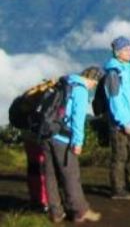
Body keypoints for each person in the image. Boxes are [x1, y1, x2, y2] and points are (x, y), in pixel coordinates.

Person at [42, 67, 104, 223]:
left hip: (47, 133)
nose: (93, 87)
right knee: (70, 175)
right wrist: (78, 142)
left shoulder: (63, 82)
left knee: (51, 175)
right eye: (95, 83)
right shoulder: (80, 90)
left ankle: (56, 213)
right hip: (63, 138)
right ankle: (79, 211)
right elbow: (77, 119)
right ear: (92, 80)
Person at [103, 36, 130, 201]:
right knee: (120, 156)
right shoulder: (114, 74)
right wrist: (124, 121)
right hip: (121, 124)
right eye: (127, 49)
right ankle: (118, 189)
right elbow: (115, 100)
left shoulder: (128, 71)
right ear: (118, 52)